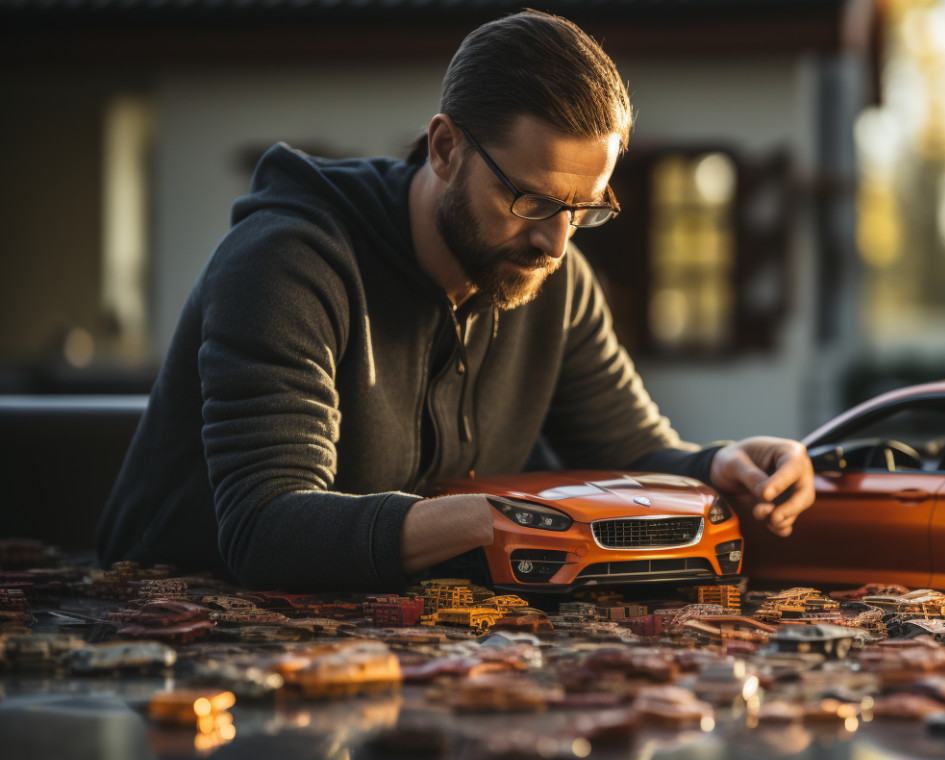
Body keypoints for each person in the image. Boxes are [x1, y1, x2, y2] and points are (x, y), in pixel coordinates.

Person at [95, 10, 814, 592]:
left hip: (393, 643)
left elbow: (629, 451)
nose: (556, 243)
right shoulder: (287, 263)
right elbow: (265, 527)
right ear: (444, 150)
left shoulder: (554, 282)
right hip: (160, 634)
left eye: (583, 210)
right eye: (530, 199)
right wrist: (486, 520)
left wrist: (720, 466)